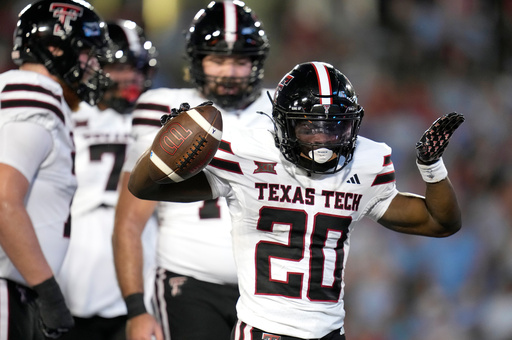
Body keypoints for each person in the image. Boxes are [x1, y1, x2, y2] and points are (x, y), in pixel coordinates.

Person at [127, 61, 464, 340]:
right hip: (264, 332)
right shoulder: (248, 152)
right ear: (283, 125)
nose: (324, 141)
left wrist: (431, 167)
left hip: (331, 332)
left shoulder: (366, 162)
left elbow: (442, 223)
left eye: (335, 128)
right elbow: (146, 187)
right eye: (310, 128)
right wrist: (164, 153)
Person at [112, 1, 271, 340]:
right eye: (218, 59)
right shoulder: (161, 107)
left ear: (256, 62)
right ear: (197, 60)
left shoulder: (279, 113)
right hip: (188, 282)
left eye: (241, 61)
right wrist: (137, 309)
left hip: (270, 291)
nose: (229, 72)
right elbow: (129, 220)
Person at [0, 0, 112, 338]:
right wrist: (48, 292)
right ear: (54, 48)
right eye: (87, 54)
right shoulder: (34, 106)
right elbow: (4, 199)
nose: (93, 66)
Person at [56, 19, 159, 340]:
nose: (131, 77)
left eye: (137, 68)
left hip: (139, 261)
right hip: (71, 262)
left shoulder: (159, 118)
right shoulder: (62, 112)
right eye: (119, 67)